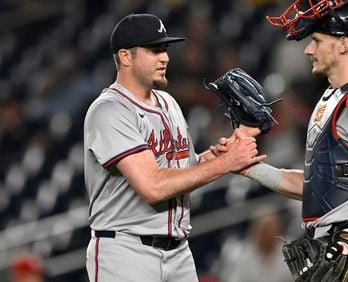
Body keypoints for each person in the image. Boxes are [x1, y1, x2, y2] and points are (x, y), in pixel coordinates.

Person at [214, 0, 348, 280]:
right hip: (336, 246)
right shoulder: (329, 100)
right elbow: (317, 184)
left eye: (317, 41)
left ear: (344, 43)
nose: (308, 50)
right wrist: (248, 168)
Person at [83, 13, 265, 282]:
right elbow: (153, 186)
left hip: (179, 252)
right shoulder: (109, 110)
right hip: (126, 253)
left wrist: (221, 156)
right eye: (154, 50)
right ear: (125, 57)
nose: (165, 57)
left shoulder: (168, 102)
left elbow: (183, 172)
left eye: (165, 49)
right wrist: (223, 164)